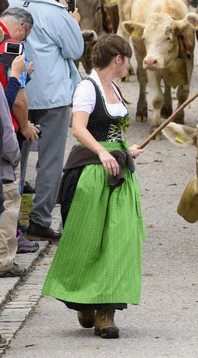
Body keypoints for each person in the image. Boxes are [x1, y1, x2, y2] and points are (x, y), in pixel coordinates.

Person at [42, 34, 146, 339]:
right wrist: (102, 152)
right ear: (118, 60)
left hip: (118, 173)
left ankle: (106, 313)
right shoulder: (88, 88)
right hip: (90, 173)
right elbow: (78, 127)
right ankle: (83, 300)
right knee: (87, 241)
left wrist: (127, 149)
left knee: (119, 241)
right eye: (128, 60)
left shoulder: (114, 88)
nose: (129, 65)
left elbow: (113, 133)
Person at [8, 0, 84, 241]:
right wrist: (72, 23)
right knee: (50, 160)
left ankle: (11, 221)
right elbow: (75, 50)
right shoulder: (57, 11)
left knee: (16, 160)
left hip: (16, 90)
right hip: (51, 94)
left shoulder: (11, 4)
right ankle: (39, 220)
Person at [0, 8, 40, 255]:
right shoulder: (13, 46)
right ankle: (10, 241)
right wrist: (25, 126)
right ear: (23, 28)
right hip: (6, 127)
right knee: (7, 192)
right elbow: (17, 100)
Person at [0, 54, 29, 278]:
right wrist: (14, 157)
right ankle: (4, 262)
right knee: (7, 214)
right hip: (3, 167)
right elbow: (6, 128)